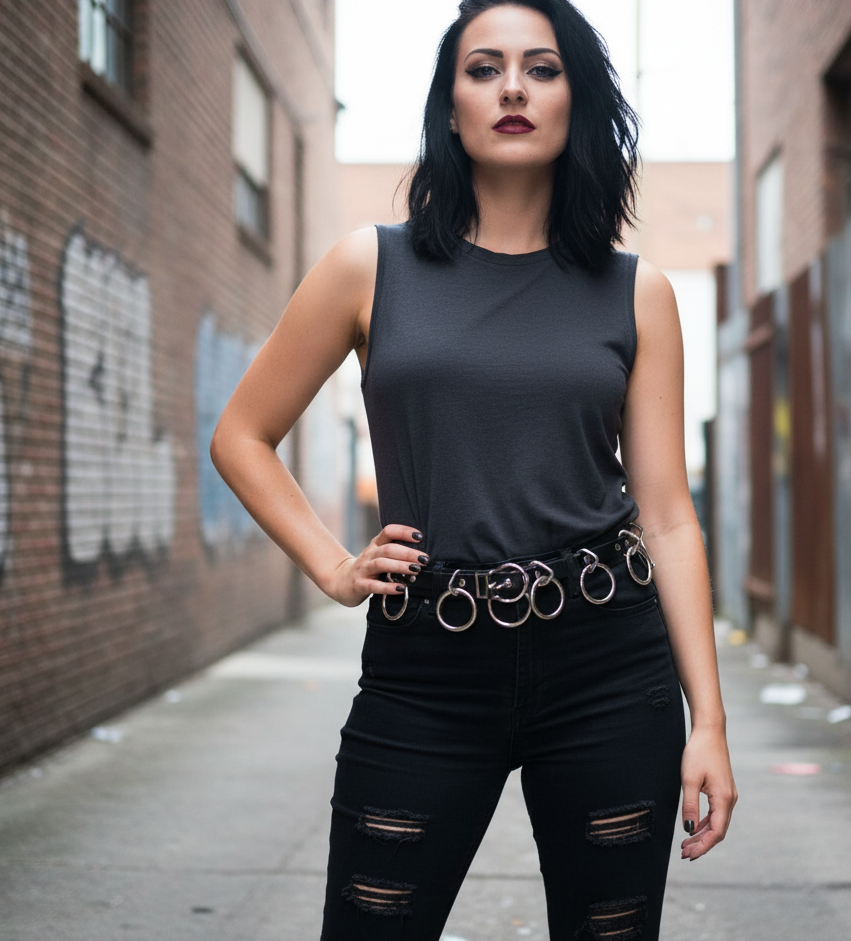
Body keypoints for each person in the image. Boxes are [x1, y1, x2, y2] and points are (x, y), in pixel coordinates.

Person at [211, 0, 737, 937]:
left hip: (609, 663)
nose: (511, 89)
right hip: (426, 665)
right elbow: (242, 433)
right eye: (483, 68)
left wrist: (710, 721)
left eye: (541, 68)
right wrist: (333, 566)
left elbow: (667, 519)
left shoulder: (637, 293)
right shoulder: (367, 267)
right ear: (448, 103)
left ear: (576, 99)